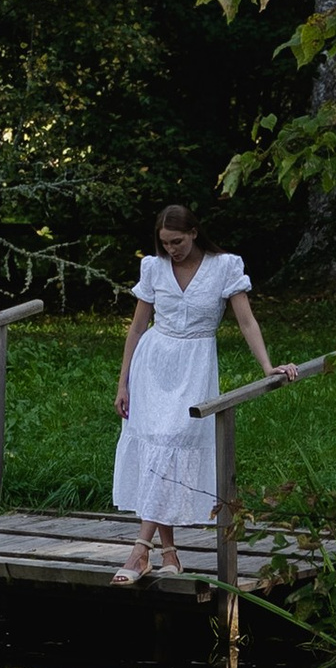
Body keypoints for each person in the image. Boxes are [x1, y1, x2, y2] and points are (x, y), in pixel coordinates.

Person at [111, 203, 284, 581]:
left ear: (193, 232)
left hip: (195, 365)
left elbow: (246, 321)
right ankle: (165, 553)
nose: (172, 249)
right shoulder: (154, 268)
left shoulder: (225, 266)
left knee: (172, 442)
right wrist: (123, 382)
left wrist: (268, 367)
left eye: (177, 241)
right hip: (153, 364)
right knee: (157, 445)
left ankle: (142, 550)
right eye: (165, 243)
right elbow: (138, 328)